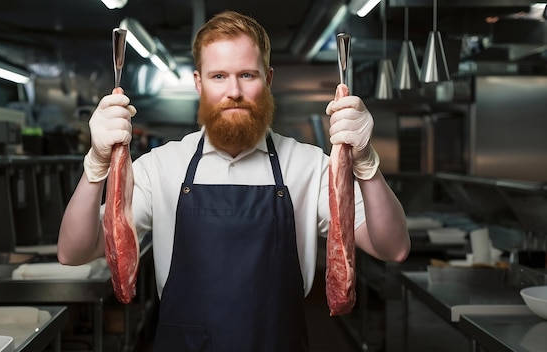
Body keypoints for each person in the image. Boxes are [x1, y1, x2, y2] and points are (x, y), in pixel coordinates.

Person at [58, 10, 410, 352]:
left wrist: (367, 165)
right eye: (218, 76)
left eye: (247, 75)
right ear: (198, 83)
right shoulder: (161, 166)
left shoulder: (307, 165)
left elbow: (392, 247)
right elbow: (73, 252)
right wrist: (95, 166)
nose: (234, 91)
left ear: (268, 80)